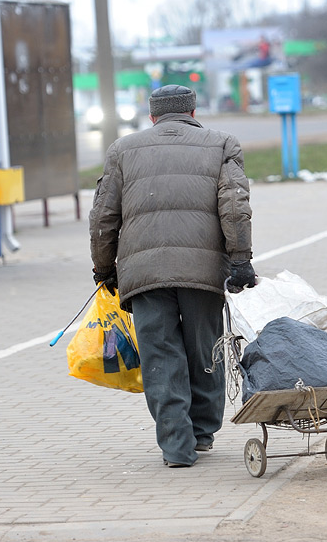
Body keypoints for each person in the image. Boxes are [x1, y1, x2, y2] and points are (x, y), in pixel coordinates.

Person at [89, 84, 256, 468]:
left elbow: (102, 217)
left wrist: (104, 269)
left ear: (152, 116)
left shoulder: (122, 150)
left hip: (144, 274)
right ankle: (202, 434)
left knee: (160, 357)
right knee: (204, 352)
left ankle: (176, 448)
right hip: (202, 272)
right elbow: (234, 206)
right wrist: (241, 260)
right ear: (194, 112)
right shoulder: (222, 144)